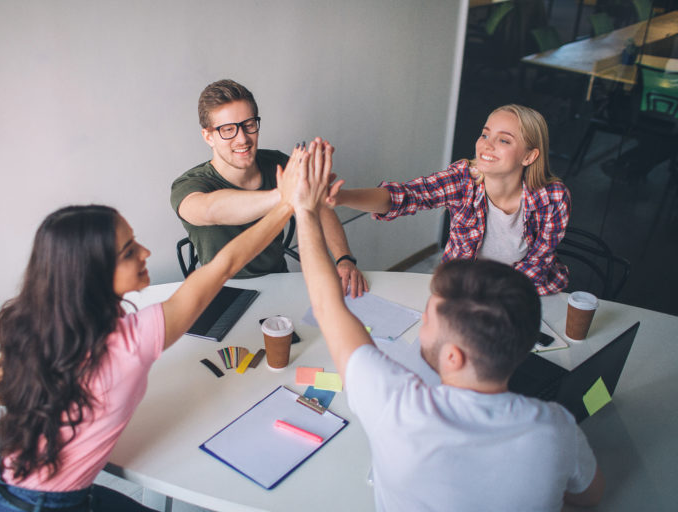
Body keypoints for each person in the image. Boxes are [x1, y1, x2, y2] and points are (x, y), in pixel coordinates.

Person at [0, 144, 310, 511]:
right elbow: (222, 266)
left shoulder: (29, 321)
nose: (146, 252)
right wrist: (289, 204)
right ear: (92, 275)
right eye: (129, 250)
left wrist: (63, 406)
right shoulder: (128, 343)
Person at [289, 139, 604, 510]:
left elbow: (327, 305)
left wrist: (304, 210)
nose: (422, 317)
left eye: (428, 316)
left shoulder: (395, 404)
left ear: (453, 357)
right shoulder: (557, 428)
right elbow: (590, 498)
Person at [326, 104, 570, 295]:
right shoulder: (464, 180)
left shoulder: (553, 198)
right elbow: (404, 196)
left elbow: (537, 264)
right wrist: (342, 197)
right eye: (485, 135)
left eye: (504, 140)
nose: (487, 145)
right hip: (462, 289)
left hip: (525, 292)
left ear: (529, 156)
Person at [171, 79, 367, 297]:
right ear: (208, 136)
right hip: (222, 293)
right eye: (228, 130)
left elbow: (322, 206)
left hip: (278, 281)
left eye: (249, 125)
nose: (243, 138)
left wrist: (344, 259)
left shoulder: (278, 165)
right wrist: (284, 196)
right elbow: (211, 209)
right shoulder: (189, 185)